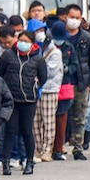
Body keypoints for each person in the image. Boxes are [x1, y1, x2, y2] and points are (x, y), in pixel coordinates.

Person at [0, 30, 47, 175]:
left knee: (26, 131)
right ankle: (6, 162)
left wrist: (35, 87)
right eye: (21, 40)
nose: (23, 44)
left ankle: (29, 162)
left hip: (29, 100)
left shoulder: (38, 59)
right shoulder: (8, 55)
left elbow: (43, 77)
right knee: (10, 131)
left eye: (26, 41)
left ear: (32, 43)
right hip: (11, 99)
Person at [65, 5, 90, 161]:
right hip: (63, 82)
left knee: (80, 116)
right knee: (61, 116)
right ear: (65, 16)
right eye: (72, 17)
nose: (74, 21)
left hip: (81, 83)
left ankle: (78, 148)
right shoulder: (59, 35)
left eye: (77, 18)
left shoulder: (86, 37)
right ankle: (58, 147)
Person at [47, 21, 79, 161]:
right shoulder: (47, 47)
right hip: (49, 86)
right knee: (48, 120)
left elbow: (75, 65)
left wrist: (67, 69)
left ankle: (58, 149)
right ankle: (47, 148)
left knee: (61, 120)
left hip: (65, 86)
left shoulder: (69, 47)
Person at [33, 22, 63, 162]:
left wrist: (36, 70)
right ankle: (38, 150)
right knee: (36, 121)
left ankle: (47, 150)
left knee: (48, 121)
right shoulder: (36, 50)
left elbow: (50, 72)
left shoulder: (55, 52)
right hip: (36, 89)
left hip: (49, 89)